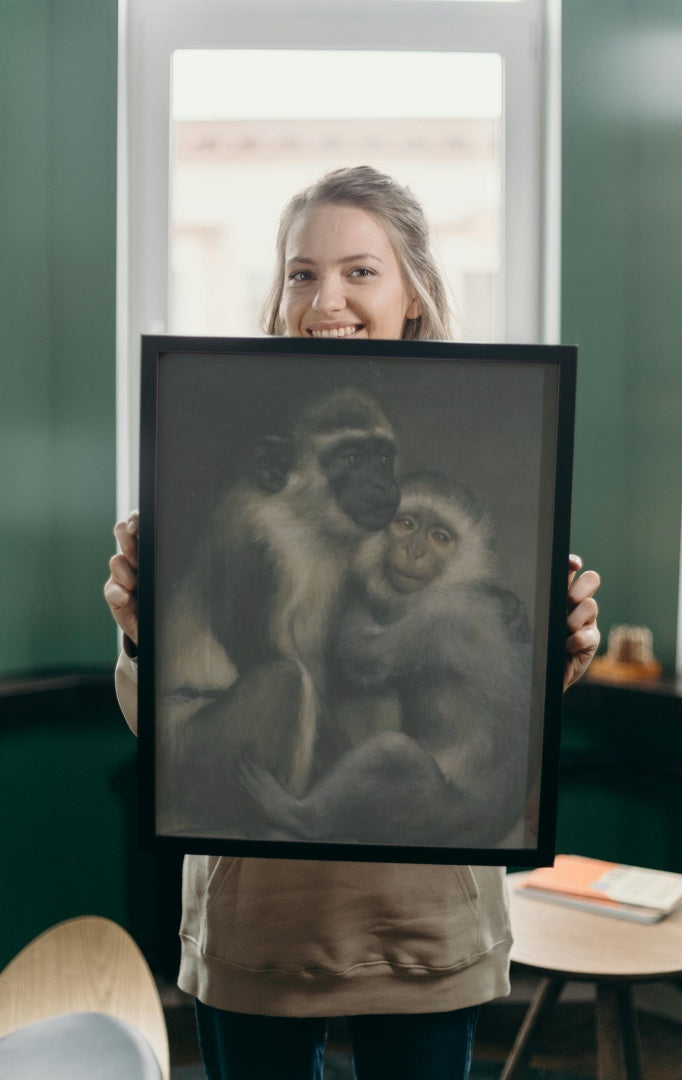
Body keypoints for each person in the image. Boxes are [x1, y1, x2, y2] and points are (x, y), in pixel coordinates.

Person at [105, 166, 601, 1080]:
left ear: (413, 291)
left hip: (420, 917)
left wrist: (555, 655)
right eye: (301, 273)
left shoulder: (426, 498)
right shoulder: (252, 508)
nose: (325, 297)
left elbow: (481, 701)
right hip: (262, 918)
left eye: (359, 271)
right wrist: (141, 634)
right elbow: (174, 729)